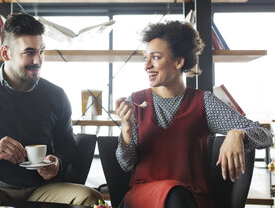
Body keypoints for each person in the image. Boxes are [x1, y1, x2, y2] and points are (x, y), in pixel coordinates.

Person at [0, 13, 102, 206]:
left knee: (91, 198)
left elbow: (67, 145)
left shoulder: (56, 95)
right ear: (6, 53)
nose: (38, 60)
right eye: (29, 52)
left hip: (42, 188)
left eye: (42, 51)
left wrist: (58, 162)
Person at [115, 21, 273, 208]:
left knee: (177, 196)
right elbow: (126, 164)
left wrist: (237, 133)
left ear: (179, 61)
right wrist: (127, 129)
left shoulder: (204, 102)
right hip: (143, 197)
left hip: (191, 198)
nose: (147, 66)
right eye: (146, 59)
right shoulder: (135, 101)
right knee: (173, 194)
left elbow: (265, 135)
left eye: (155, 57)